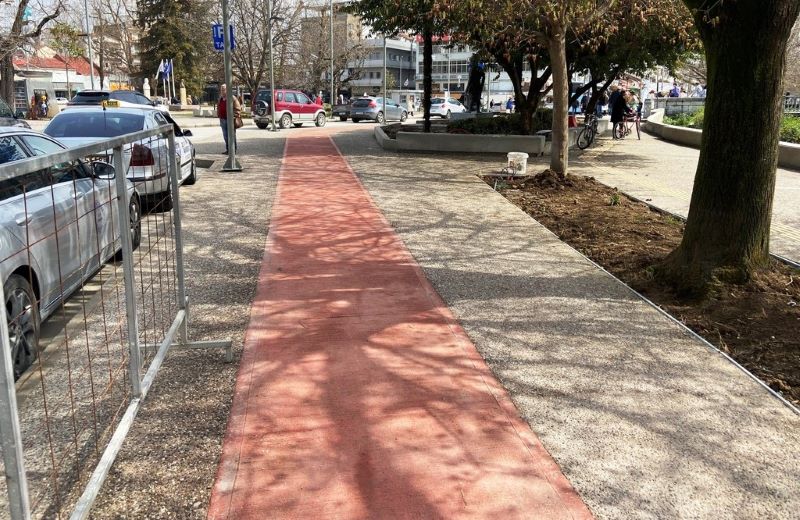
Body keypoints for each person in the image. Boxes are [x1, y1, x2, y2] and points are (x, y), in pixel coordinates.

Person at [216, 84, 241, 155]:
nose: (222, 91)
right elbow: (218, 107)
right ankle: (228, 149)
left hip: (230, 120)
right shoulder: (220, 98)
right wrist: (218, 114)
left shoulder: (232, 98)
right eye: (221, 90)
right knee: (225, 136)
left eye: (223, 89)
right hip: (222, 119)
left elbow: (238, 109)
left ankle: (233, 150)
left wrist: (233, 116)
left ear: (227, 90)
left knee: (231, 135)